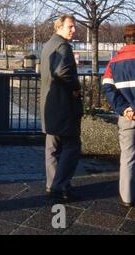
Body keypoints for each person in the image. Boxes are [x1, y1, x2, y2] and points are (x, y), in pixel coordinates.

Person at [40, 14, 83, 201]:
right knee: (72, 146)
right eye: (70, 27)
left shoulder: (48, 45)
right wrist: (75, 87)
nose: (74, 30)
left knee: (52, 147)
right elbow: (62, 71)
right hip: (64, 106)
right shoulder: (63, 46)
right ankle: (61, 185)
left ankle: (52, 184)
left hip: (49, 107)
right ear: (59, 27)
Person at [103, 24, 135, 207]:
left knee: (128, 156)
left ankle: (127, 197)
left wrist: (124, 108)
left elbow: (108, 88)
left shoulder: (114, 62)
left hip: (127, 117)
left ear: (125, 39)